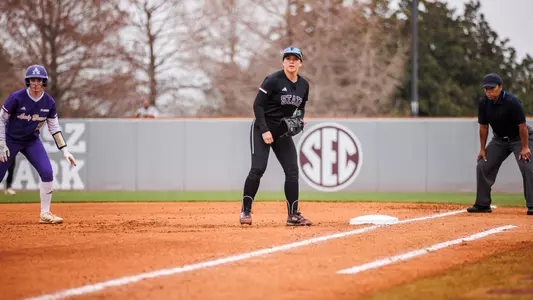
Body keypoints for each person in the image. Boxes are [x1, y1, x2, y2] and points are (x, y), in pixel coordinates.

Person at [240, 47, 312, 226]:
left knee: (292, 170)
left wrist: (299, 120)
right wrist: (264, 130)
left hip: (282, 131)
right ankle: (246, 211)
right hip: (261, 127)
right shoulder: (273, 80)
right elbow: (257, 105)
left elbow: (301, 108)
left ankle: (293, 215)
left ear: (300, 63)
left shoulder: (304, 85)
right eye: (288, 58)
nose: (291, 61)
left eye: (295, 59)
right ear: (283, 62)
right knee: (258, 169)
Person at [0, 64, 77, 224]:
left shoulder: (49, 102)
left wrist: (65, 150)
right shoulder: (16, 97)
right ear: (28, 81)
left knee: (47, 172)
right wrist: (2, 143)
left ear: (44, 82)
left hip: (31, 141)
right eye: (32, 79)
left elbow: (54, 128)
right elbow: (2, 119)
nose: (35, 83)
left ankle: (45, 214)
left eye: (39, 80)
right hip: (10, 140)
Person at [467, 73, 533, 215]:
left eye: (492, 88)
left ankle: (532, 205)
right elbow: (484, 127)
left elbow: (522, 126)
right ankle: (482, 204)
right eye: (486, 89)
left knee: (527, 166)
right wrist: (482, 149)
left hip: (519, 138)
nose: (488, 91)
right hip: (499, 140)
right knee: (483, 165)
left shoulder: (512, 102)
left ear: (500, 87)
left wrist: (525, 147)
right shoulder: (484, 103)